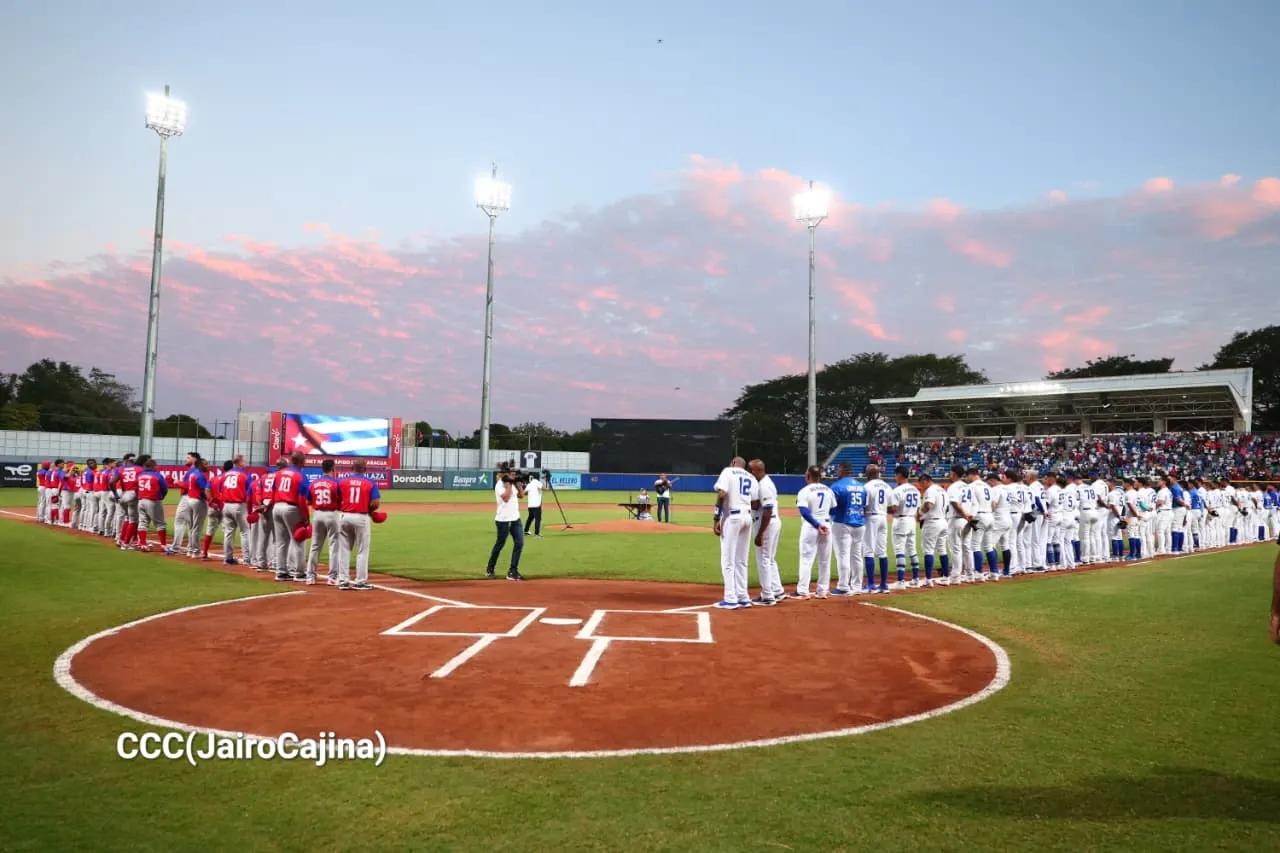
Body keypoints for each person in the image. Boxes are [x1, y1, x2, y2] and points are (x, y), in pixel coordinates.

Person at [712, 455, 758, 608]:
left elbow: (722, 493)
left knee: (728, 560)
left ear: (733, 463)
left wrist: (716, 518)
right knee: (741, 560)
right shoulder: (750, 476)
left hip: (732, 517)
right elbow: (755, 501)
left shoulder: (728, 471)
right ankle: (743, 597)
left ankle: (730, 598)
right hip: (747, 517)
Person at [335, 459, 379, 590]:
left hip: (344, 516)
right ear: (365, 469)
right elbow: (375, 503)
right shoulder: (370, 483)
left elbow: (337, 499)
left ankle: (343, 580)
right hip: (361, 517)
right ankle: (360, 581)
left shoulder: (342, 482)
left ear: (351, 468)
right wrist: (370, 511)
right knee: (362, 550)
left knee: (344, 549)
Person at [794, 465, 835, 599]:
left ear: (808, 476)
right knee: (825, 560)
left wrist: (817, 525)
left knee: (806, 559)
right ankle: (822, 591)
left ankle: (803, 591)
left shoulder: (804, 491)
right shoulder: (829, 490)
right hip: (827, 524)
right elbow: (833, 509)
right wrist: (825, 522)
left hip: (811, 526)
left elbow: (804, 512)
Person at [748, 458, 784, 605]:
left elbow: (767, 511)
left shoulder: (764, 485)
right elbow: (758, 506)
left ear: (758, 470)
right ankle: (777, 590)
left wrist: (760, 533)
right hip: (771, 522)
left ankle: (767, 596)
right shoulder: (763, 483)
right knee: (769, 559)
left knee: (763, 560)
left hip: (767, 524)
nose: (750, 473)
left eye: (751, 470)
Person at [271, 452, 312, 582]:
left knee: (281, 543)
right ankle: (299, 573)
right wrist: (306, 517)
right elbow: (301, 499)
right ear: (300, 461)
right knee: (298, 542)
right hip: (291, 508)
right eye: (304, 460)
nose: (305, 462)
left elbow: (273, 492)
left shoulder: (279, 473)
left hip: (277, 507)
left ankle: (281, 572)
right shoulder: (300, 476)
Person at [827, 462, 866, 596]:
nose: (837, 472)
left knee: (843, 555)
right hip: (860, 522)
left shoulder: (837, 486)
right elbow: (864, 506)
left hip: (842, 522)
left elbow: (831, 507)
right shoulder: (861, 486)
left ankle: (843, 586)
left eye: (839, 469)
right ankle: (857, 585)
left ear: (842, 470)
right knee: (856, 556)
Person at [487, 465, 527, 580]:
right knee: (500, 544)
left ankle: (513, 571)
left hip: (515, 518)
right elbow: (506, 498)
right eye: (512, 474)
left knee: (519, 543)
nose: (514, 475)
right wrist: (509, 484)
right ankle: (490, 569)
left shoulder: (512, 483)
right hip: (503, 519)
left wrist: (519, 486)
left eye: (514, 474)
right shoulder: (500, 484)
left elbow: (521, 496)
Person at [305, 460, 342, 585]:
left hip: (317, 514)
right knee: (334, 547)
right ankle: (332, 577)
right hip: (332, 514)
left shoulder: (314, 483)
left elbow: (308, 501)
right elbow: (340, 500)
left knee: (315, 546)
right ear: (333, 469)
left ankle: (310, 576)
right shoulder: (336, 483)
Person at [888, 465, 921, 588]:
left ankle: (901, 581)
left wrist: (884, 508)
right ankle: (916, 579)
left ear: (900, 475)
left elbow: (894, 508)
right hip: (911, 520)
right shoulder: (915, 490)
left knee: (900, 550)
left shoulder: (897, 490)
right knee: (912, 550)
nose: (895, 477)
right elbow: (918, 509)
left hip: (901, 520)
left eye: (896, 475)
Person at [862, 464, 892, 593]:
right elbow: (892, 508)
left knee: (868, 551)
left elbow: (864, 506)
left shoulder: (867, 486)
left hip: (871, 517)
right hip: (883, 518)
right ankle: (884, 585)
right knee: (882, 551)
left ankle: (871, 584)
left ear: (868, 474)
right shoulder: (887, 486)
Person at [219, 458, 251, 566]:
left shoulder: (225, 475)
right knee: (245, 532)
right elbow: (250, 492)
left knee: (228, 532)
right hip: (239, 505)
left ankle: (228, 558)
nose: (246, 463)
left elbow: (220, 490)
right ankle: (247, 559)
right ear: (239, 463)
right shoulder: (245, 475)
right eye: (244, 461)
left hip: (226, 505)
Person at [917, 473, 948, 587]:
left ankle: (928, 580)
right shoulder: (942, 490)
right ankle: (946, 577)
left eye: (921, 484)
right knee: (942, 549)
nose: (921, 487)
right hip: (943, 521)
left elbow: (928, 505)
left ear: (925, 481)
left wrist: (920, 513)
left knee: (928, 550)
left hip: (933, 522)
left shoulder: (930, 490)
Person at [134, 457, 168, 552]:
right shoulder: (157, 475)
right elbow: (164, 488)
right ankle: (163, 546)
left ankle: (143, 544)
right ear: (154, 466)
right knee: (160, 523)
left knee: (142, 522)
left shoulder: (139, 475)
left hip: (141, 500)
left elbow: (136, 489)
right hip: (153, 500)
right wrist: (161, 497)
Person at [524, 471, 545, 538]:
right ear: (538, 477)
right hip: (536, 505)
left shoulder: (529, 484)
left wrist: (530, 493)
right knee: (538, 519)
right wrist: (544, 481)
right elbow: (544, 488)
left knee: (530, 518)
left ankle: (526, 531)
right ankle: (537, 533)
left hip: (530, 505)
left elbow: (524, 493)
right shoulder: (537, 482)